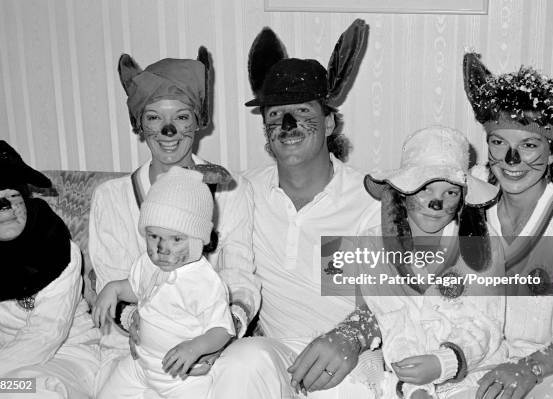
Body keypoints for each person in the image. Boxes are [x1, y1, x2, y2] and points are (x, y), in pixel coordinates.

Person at [209, 19, 385, 399]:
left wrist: (350, 337)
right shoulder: (239, 191)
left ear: (329, 121)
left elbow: (389, 300)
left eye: (302, 112)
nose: (287, 124)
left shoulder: (370, 198)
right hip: (275, 356)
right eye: (274, 115)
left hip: (345, 359)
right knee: (239, 364)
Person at [89, 46, 259, 376]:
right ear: (139, 124)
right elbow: (109, 281)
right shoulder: (110, 198)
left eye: (181, 117)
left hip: (211, 347)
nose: (169, 131)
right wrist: (133, 321)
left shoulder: (231, 190)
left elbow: (240, 274)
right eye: (155, 117)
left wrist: (219, 340)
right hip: (131, 350)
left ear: (198, 123)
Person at [358, 126, 507, 399]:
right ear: (402, 192)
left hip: (475, 372)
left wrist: (445, 362)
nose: (436, 204)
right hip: (404, 375)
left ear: (463, 199)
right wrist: (417, 387)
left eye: (450, 193)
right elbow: (392, 322)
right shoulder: (373, 246)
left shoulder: (483, 246)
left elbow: (485, 322)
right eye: (425, 189)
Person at [463, 52, 553, 399]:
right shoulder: (463, 197)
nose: (512, 161)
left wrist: (531, 367)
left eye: (528, 145)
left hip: (548, 373)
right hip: (469, 360)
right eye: (499, 143)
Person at [0, 141, 101, 398]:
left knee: (28, 391)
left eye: (14, 196)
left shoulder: (58, 249)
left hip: (68, 357)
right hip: (2, 367)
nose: (6, 207)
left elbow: (46, 334)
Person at [93, 167, 235, 398]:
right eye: (153, 236)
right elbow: (137, 289)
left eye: (176, 239)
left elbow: (221, 330)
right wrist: (114, 289)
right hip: (140, 364)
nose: (161, 249)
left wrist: (195, 347)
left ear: (200, 240)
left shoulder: (204, 281)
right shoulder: (147, 264)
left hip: (182, 376)